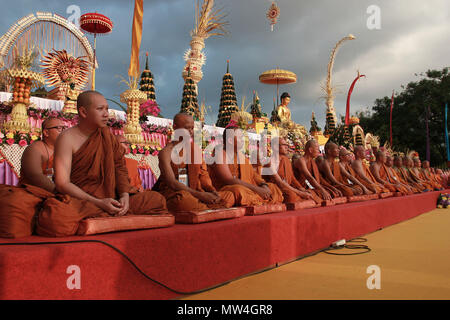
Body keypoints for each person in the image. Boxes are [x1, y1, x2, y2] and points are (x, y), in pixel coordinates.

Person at [39, 90, 168, 236]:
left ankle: (107, 215)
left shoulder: (108, 136)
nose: (106, 114)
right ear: (83, 112)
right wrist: (98, 203)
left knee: (156, 200)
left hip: (112, 198)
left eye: (107, 109)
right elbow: (62, 183)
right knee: (56, 217)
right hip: (83, 200)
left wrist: (124, 196)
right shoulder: (67, 138)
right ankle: (108, 214)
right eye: (100, 109)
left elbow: (119, 168)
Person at [155, 113, 235, 212]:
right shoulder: (166, 152)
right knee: (183, 201)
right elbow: (172, 183)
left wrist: (212, 191)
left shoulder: (195, 150)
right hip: (176, 193)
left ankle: (204, 206)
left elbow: (203, 175)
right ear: (175, 127)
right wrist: (201, 196)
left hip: (198, 191)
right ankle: (207, 207)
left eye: (192, 128)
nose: (191, 132)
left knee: (229, 195)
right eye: (187, 128)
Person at [208, 125, 283, 206]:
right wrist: (257, 189)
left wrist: (263, 185)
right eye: (240, 138)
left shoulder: (241, 156)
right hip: (228, 188)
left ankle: (258, 199)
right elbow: (228, 180)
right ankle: (259, 200)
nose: (243, 140)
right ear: (230, 140)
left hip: (248, 188)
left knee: (273, 188)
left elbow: (254, 176)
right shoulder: (220, 153)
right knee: (238, 190)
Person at [19, 117, 66, 192]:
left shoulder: (64, 150)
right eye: (59, 128)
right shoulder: (35, 149)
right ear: (46, 132)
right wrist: (59, 192)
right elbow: (35, 176)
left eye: (65, 128)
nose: (64, 131)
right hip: (33, 192)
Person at [263, 137, 316, 203]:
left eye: (287, 145)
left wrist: (301, 188)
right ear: (275, 147)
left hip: (287, 187)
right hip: (276, 188)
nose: (287, 147)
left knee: (310, 192)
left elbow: (292, 177)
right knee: (291, 196)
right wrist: (300, 193)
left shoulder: (286, 160)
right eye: (284, 145)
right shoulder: (270, 162)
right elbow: (280, 182)